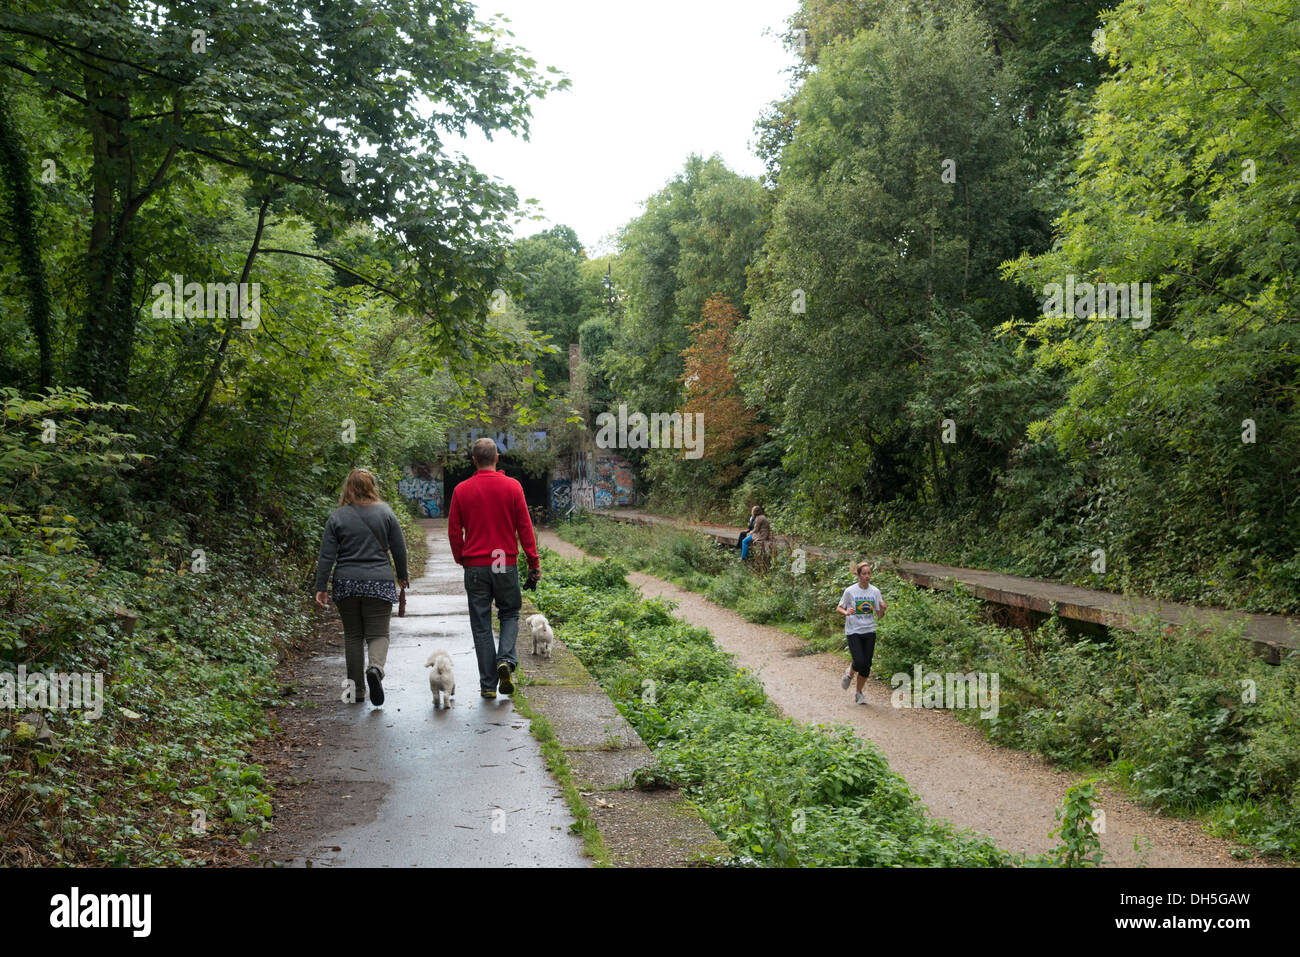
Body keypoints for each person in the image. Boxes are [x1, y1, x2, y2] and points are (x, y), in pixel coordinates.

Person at [447, 437, 541, 699]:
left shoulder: (461, 490)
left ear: (474, 461)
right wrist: (533, 562)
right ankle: (506, 660)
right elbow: (525, 527)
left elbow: (454, 531)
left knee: (481, 625)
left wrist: (462, 557)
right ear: (497, 458)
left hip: (475, 564)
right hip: (504, 561)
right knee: (510, 612)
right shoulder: (512, 487)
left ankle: (488, 685)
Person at [315, 468, 409, 707]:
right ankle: (375, 669)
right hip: (379, 581)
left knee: (353, 636)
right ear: (372, 486)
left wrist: (321, 585)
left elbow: (327, 555)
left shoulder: (337, 516)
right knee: (378, 634)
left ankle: (356, 691)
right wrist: (402, 575)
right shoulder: (386, 512)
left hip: (346, 583)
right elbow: (399, 548)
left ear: (348, 487)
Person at [837, 561, 886, 705]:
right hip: (854, 631)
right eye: (864, 574)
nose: (867, 576)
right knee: (859, 661)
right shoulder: (850, 591)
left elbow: (879, 615)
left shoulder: (875, 591)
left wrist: (883, 608)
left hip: (869, 630)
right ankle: (850, 673)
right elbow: (839, 607)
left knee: (867, 664)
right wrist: (847, 612)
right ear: (858, 575)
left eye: (869, 573)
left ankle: (858, 693)